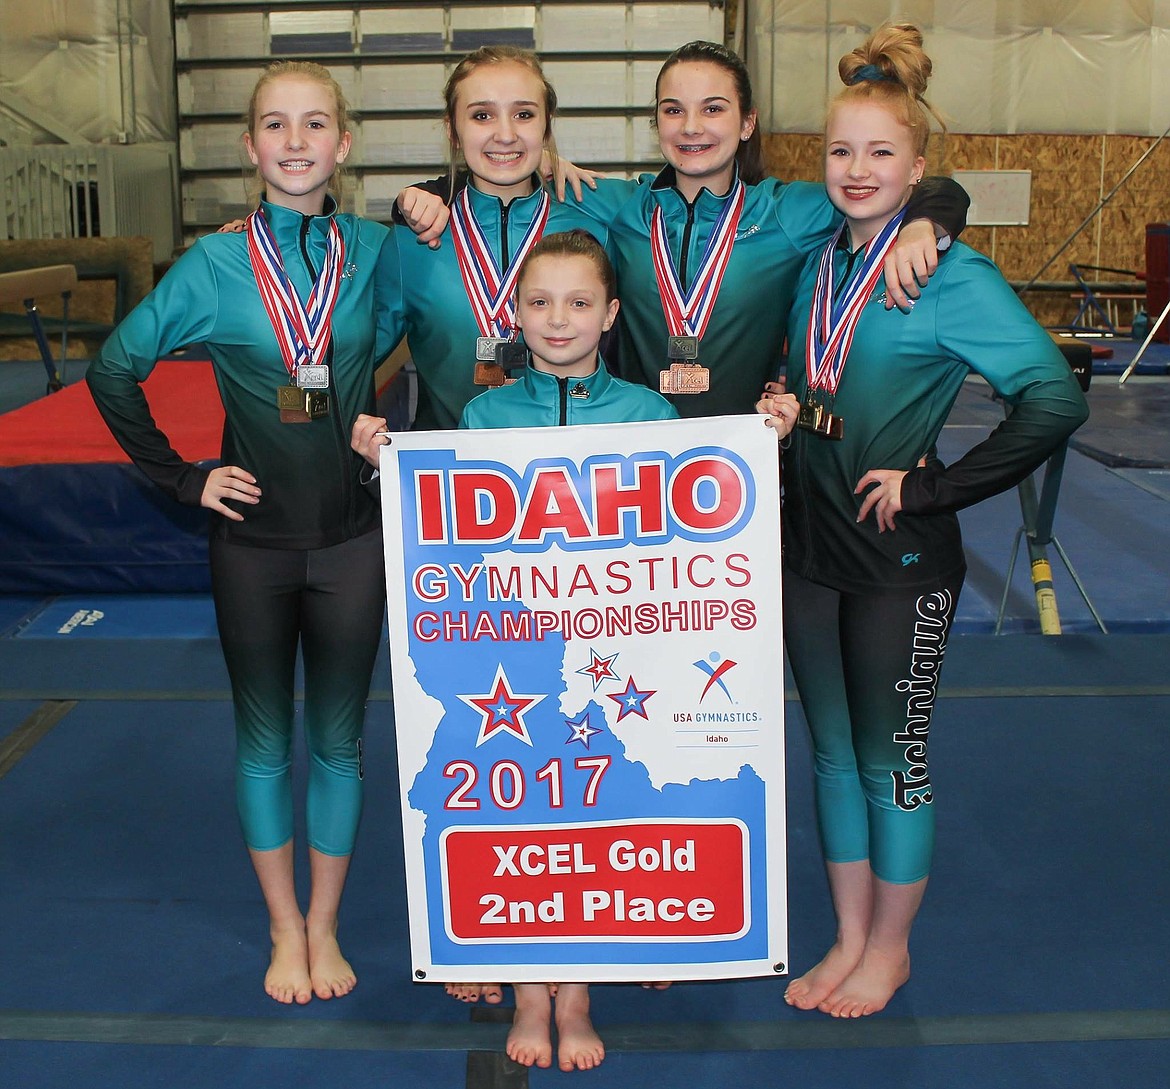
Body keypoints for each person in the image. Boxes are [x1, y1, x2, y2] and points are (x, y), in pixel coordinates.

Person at [353, 228, 800, 1068]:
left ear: (611, 314)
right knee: (520, 810)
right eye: (539, 302)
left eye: (579, 303)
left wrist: (759, 440)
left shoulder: (648, 412)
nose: (558, 320)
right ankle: (530, 989)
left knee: (600, 809)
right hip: (518, 657)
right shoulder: (486, 413)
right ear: (513, 314)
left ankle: (581, 989)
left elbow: (689, 523)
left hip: (613, 662)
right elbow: (446, 533)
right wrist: (389, 465)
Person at [756, 23, 1089, 1018]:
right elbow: (826, 369)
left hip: (899, 558)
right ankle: (850, 935)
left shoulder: (950, 275)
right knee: (826, 753)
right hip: (807, 548)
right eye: (840, 152)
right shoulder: (822, 257)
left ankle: (890, 949)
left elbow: (1055, 401)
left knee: (887, 761)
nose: (857, 172)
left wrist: (935, 486)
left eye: (882, 154)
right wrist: (786, 398)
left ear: (920, 166)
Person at [87, 61, 402, 1006]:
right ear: (250, 147)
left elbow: (427, 313)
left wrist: (383, 418)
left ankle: (325, 922)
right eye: (276, 124)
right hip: (253, 544)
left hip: (352, 537)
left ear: (344, 144)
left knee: (341, 743)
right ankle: (280, 924)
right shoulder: (215, 266)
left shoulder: (377, 251)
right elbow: (113, 368)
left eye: (315, 125)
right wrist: (182, 476)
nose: (296, 141)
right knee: (265, 741)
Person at [396, 40, 970, 418]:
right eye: (673, 110)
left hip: (739, 463)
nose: (692, 127)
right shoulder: (615, 206)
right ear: (656, 124)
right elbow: (496, 174)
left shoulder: (790, 212)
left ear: (747, 122)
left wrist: (927, 221)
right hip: (634, 455)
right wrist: (421, 198)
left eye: (713, 109)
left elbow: (890, 183)